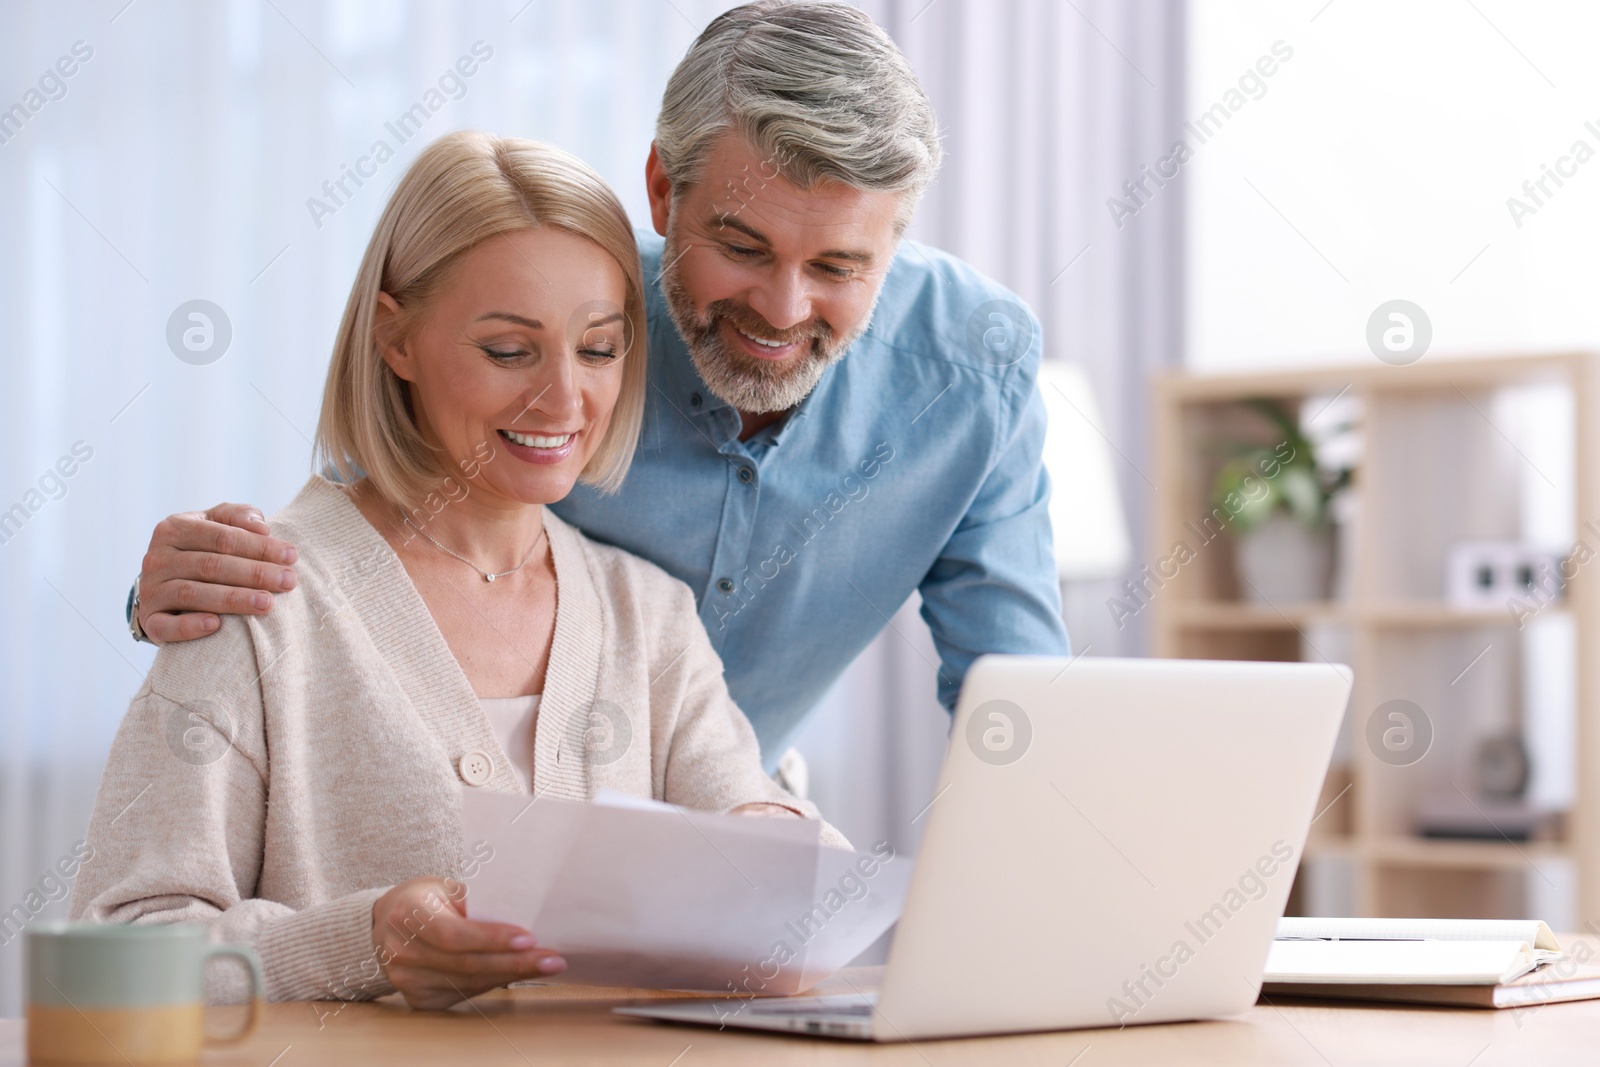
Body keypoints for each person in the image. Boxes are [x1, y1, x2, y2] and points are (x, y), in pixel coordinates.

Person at [126, 0, 1071, 767]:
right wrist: (181, 592)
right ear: (662, 190)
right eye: (742, 246)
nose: (784, 310)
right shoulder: (572, 324)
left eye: (839, 267)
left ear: (896, 241)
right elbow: (367, 524)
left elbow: (1016, 692)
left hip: (731, 834)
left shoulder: (972, 368)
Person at [72, 131, 843, 1010]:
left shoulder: (649, 617)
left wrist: (771, 847)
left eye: (598, 348)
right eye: (509, 351)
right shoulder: (251, 596)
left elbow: (767, 851)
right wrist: (359, 941)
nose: (563, 399)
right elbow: (114, 958)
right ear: (395, 337)